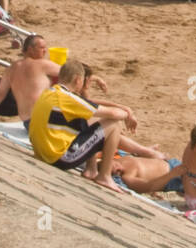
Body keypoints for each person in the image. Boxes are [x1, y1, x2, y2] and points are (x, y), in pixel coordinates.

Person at [28, 58, 129, 191]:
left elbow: (89, 106)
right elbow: (114, 115)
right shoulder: (69, 99)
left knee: (84, 117)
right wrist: (128, 113)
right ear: (77, 80)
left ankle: (91, 170)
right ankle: (104, 176)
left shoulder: (50, 92)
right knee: (114, 124)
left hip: (41, 152)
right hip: (58, 157)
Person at [0, 33, 62, 120]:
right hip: (43, 121)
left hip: (27, 122)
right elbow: (71, 73)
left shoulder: (12, 68)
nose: (45, 51)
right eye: (41, 48)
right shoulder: (42, 64)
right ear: (30, 49)